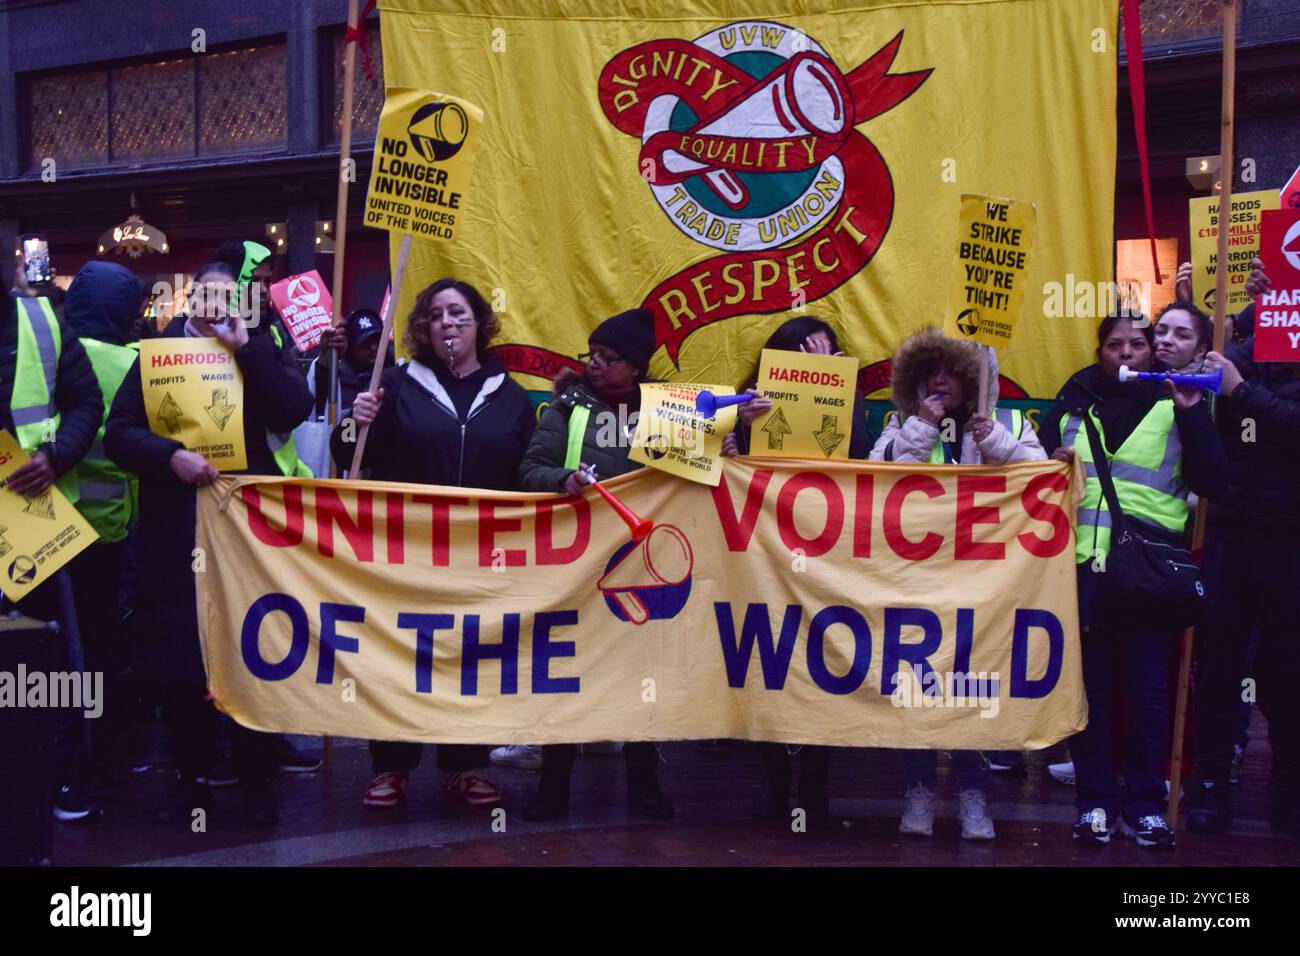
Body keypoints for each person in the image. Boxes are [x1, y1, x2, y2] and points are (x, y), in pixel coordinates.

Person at [104, 261, 315, 827]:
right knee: (183, 659)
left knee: (254, 649)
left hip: (247, 533)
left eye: (229, 297)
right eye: (206, 294)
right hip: (177, 531)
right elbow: (119, 433)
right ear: (188, 299)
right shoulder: (157, 354)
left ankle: (257, 776)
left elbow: (294, 410)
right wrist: (168, 457)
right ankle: (192, 776)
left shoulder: (261, 346)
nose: (216, 305)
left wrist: (248, 350)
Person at [333, 278, 535, 811]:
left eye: (459, 313)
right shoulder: (393, 386)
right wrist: (356, 424)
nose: (448, 322)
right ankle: (391, 764)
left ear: (479, 324)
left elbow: (527, 471)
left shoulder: (511, 397)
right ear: (424, 328)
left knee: (470, 655)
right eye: (438, 315)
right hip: (407, 548)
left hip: (481, 553)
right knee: (401, 653)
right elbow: (347, 452)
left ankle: (465, 765)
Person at [1038, 313, 1226, 849]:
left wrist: (1191, 417)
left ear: (1151, 352)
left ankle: (1145, 804)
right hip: (1084, 572)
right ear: (1099, 351)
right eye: (1115, 344)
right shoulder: (1073, 403)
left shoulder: (1181, 400)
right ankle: (1094, 802)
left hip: (1147, 577)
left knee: (1147, 696)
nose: (1127, 353)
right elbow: (1033, 470)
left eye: (1138, 344)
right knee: (1090, 694)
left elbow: (1213, 481)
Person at [868, 326, 1044, 840]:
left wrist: (1004, 448)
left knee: (971, 687)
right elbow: (879, 478)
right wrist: (920, 430)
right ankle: (918, 790)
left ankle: (974, 794)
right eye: (931, 372)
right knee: (915, 686)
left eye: (950, 371)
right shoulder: (900, 422)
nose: (940, 380)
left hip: (981, 583)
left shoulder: (1008, 421)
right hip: (918, 581)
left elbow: (1045, 481)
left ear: (973, 378)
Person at [516, 308, 674, 822]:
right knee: (566, 675)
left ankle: (644, 786)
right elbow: (529, 470)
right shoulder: (566, 408)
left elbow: (699, 478)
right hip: (576, 567)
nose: (596, 365)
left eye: (609, 358)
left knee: (640, 678)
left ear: (636, 368)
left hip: (639, 567)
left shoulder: (669, 412)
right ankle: (553, 786)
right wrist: (562, 479)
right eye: (592, 355)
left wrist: (741, 426)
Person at [721, 315, 869, 826]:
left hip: (826, 556)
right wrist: (739, 429)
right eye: (803, 353)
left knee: (821, 668)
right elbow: (718, 473)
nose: (812, 362)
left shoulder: (851, 403)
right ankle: (775, 790)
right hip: (764, 559)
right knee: (769, 666)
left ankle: (814, 794)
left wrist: (836, 390)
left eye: (824, 354)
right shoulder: (745, 403)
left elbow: (860, 458)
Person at [1188, 260, 1300, 838]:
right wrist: (1226, 319)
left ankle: (1288, 791)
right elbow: (1220, 393)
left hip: (1290, 538)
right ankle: (1209, 787)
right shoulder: (1254, 338)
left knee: (1285, 670)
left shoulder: (1253, 370)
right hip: (1234, 528)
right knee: (1220, 666)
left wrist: (1243, 389)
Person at [2, 262, 104, 823]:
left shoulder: (42, 320)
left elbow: (87, 402)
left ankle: (66, 772)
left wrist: (56, 455)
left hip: (31, 514)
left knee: (51, 652)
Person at [61, 262, 145, 797]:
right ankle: (113, 753)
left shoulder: (52, 360)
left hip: (47, 533)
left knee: (66, 653)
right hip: (118, 534)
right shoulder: (140, 363)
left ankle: (72, 760)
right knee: (110, 650)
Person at [311, 308, 392, 421]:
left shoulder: (395, 374)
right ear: (351, 347)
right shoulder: (336, 379)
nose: (373, 347)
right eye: (364, 343)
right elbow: (317, 404)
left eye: (377, 340)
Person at [1153, 302, 1213, 374]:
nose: (1166, 340)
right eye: (1161, 332)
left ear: (1200, 351)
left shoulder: (1214, 382)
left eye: (1182, 335)